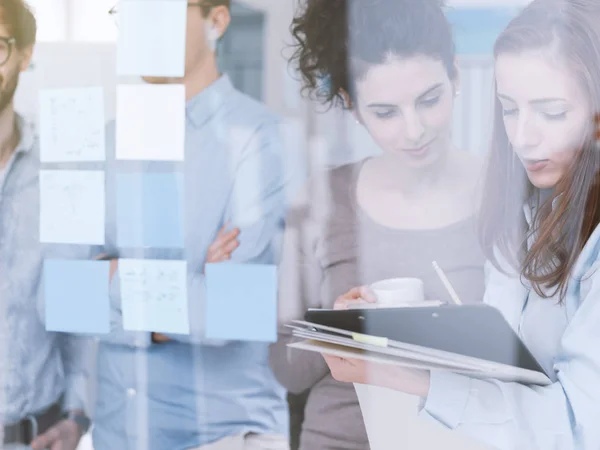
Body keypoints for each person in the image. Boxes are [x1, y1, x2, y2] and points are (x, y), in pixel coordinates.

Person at [326, 0, 600, 448]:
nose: (523, 136)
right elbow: (502, 368)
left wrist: (417, 377)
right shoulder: (527, 212)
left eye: (552, 112)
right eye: (510, 109)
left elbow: (579, 427)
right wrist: (392, 332)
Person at [269, 0, 485, 448]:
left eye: (429, 100)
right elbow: (286, 370)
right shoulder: (322, 201)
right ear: (352, 105)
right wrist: (340, 326)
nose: (414, 130)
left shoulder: (504, 197)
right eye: (385, 112)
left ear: (456, 76)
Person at [92, 1, 302, 449]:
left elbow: (231, 313)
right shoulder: (106, 142)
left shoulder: (262, 141)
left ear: (217, 21)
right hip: (115, 435)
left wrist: (112, 279)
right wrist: (187, 291)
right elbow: (61, 298)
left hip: (223, 436)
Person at [0, 1, 92, 449]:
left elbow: (81, 309)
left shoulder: (60, 171)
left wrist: (77, 416)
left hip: (34, 437)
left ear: (25, 54)